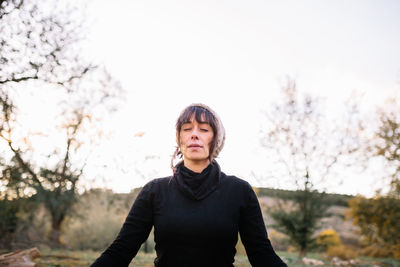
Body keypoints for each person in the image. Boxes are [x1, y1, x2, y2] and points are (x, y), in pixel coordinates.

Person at [91, 103, 287, 267]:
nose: (194, 135)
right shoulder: (154, 191)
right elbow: (121, 250)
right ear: (180, 139)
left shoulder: (240, 191)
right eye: (187, 129)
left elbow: (262, 255)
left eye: (203, 129)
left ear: (215, 139)